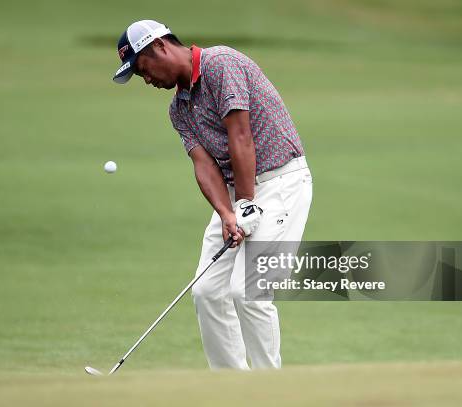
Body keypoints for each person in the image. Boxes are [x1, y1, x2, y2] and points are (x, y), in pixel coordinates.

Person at [112, 20, 313, 369]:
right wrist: (227, 213)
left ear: (160, 46)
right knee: (207, 292)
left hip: (281, 183)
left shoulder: (221, 64)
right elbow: (204, 165)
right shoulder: (178, 110)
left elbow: (241, 137)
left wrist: (246, 204)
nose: (147, 80)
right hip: (240, 192)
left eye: (144, 69)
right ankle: (231, 389)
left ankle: (271, 391)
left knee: (248, 291)